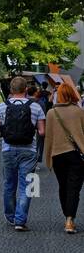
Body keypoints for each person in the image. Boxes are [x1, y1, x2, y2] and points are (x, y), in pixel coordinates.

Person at [0, 75, 45, 232]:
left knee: (9, 184)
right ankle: (20, 220)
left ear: (11, 89)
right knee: (27, 185)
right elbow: (42, 132)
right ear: (26, 90)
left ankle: (10, 216)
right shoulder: (35, 107)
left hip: (8, 149)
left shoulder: (2, 106)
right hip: (29, 150)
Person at [43, 82, 84, 234]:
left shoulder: (51, 113)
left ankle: (67, 215)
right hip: (76, 154)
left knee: (63, 186)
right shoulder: (79, 112)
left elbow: (49, 138)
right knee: (74, 188)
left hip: (58, 154)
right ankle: (70, 219)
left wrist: (47, 158)